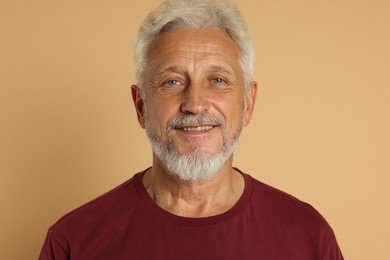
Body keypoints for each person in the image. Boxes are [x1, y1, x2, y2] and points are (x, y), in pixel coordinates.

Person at [39, 0, 344, 259]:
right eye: (172, 82)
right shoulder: (73, 242)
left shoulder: (308, 238)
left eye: (218, 80)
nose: (195, 104)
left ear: (248, 103)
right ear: (141, 106)